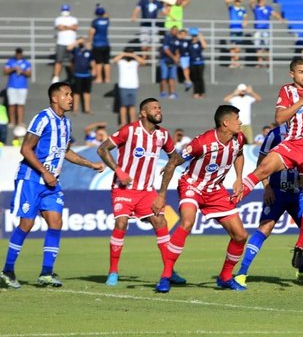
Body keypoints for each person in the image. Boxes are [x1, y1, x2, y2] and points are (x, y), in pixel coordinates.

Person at [238, 58, 303, 269]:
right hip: (278, 189)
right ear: (292, 74)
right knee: (264, 223)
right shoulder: (279, 129)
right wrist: (266, 187)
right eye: (301, 71)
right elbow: (278, 119)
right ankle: (242, 270)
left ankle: (301, 263)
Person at [0, 82, 104, 289]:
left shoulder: (65, 123)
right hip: (31, 178)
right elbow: (26, 149)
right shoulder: (42, 118)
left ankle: (46, 273)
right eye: (67, 94)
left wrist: (89, 164)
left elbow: (65, 151)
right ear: (55, 98)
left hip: (51, 182)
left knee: (56, 222)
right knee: (26, 224)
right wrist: (45, 172)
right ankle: (7, 271)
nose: (71, 98)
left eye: (72, 94)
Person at [151, 105, 249, 293]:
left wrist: (238, 178)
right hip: (192, 186)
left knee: (241, 236)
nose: (241, 122)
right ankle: (166, 276)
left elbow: (239, 154)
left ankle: (225, 277)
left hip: (216, 191)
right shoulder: (201, 142)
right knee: (187, 222)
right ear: (225, 123)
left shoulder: (239, 138)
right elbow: (174, 162)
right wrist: (162, 195)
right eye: (237, 118)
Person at [97, 98, 186, 287]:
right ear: (144, 113)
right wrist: (119, 171)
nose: (159, 110)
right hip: (124, 189)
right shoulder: (129, 130)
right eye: (154, 108)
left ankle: (169, 271)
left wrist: (173, 164)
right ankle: (113, 271)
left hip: (147, 190)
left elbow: (175, 157)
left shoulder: (163, 135)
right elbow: (103, 149)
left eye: (160, 108)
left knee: (161, 221)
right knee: (121, 223)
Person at [234, 123, 303, 286]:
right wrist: (267, 186)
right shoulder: (275, 135)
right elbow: (261, 164)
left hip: (299, 195)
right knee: (264, 229)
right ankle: (242, 272)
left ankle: (302, 270)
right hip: (277, 193)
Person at [4, 48, 31, 128]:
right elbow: (5, 71)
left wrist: (21, 71)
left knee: (20, 105)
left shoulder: (26, 63)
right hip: (12, 86)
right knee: (12, 104)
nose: (19, 55)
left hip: (22, 86)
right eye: (17, 54)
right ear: (15, 54)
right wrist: (13, 68)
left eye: (20, 54)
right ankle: (12, 121)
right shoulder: (10, 62)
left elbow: (29, 73)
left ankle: (20, 122)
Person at [52, 4, 78, 84]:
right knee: (59, 60)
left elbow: (75, 27)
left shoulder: (74, 19)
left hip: (72, 43)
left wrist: (65, 27)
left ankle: (73, 76)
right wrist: (69, 27)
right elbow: (59, 27)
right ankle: (56, 77)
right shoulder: (58, 19)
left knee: (72, 61)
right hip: (61, 42)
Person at [89, 6, 111, 84]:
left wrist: (89, 41)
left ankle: (99, 78)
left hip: (97, 44)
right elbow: (107, 16)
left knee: (98, 62)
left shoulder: (95, 21)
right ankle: (108, 78)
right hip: (106, 43)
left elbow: (91, 32)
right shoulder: (106, 21)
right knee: (106, 62)